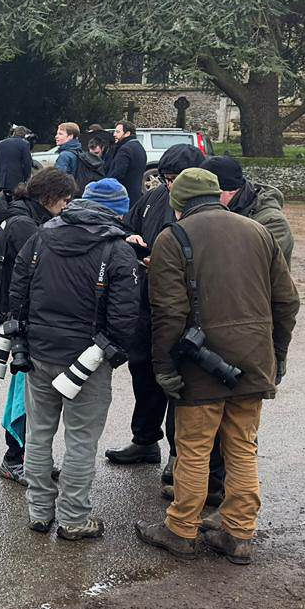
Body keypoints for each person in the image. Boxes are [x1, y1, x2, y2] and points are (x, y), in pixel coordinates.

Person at [135, 168, 299, 565]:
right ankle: (239, 533)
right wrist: (277, 355)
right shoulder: (258, 232)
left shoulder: (173, 238)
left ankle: (181, 529)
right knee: (243, 446)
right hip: (254, 360)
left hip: (200, 363)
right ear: (219, 195)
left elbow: (169, 313)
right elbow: (286, 301)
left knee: (194, 448)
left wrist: (164, 367)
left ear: (178, 203)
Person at [7, 177, 141, 539]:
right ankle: (73, 518)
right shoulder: (117, 250)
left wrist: (23, 337)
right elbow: (125, 316)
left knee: (38, 434)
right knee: (81, 440)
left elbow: (17, 290)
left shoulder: (42, 235)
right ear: (120, 211)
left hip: (39, 352)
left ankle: (39, 511)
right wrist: (111, 352)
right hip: (88, 358)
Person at [105, 144, 208, 475]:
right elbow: (124, 225)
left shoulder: (207, 209)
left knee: (179, 380)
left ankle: (179, 453)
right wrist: (130, 237)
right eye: (165, 178)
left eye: (176, 179)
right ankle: (145, 440)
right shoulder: (151, 200)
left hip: (188, 309)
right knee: (143, 371)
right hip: (146, 302)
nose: (170, 185)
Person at [0, 168, 77, 485]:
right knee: (25, 396)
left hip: (19, 318)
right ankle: (14, 459)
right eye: (65, 199)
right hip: (23, 322)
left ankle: (31, 459)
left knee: (31, 394)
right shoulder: (25, 226)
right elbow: (34, 278)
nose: (67, 205)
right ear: (49, 198)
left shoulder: (23, 217)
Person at [201, 156, 294, 263]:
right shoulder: (212, 213)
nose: (203, 200)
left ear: (230, 191)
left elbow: (249, 266)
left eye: (207, 195)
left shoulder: (272, 222)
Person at [105, 121, 146, 203]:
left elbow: (118, 174)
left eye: (117, 132)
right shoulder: (139, 147)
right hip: (135, 195)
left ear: (127, 133)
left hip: (122, 196)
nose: (114, 134)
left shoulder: (125, 149)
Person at [0, 126, 34, 197]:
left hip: (2, 180)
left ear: (14, 133)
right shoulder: (25, 144)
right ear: (24, 135)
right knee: (15, 202)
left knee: (2, 202)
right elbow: (27, 163)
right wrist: (27, 177)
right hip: (17, 180)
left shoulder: (1, 143)